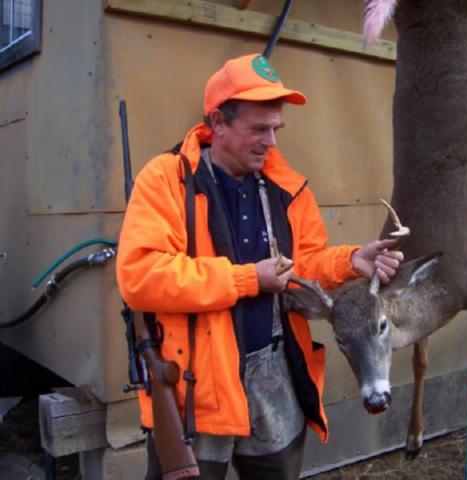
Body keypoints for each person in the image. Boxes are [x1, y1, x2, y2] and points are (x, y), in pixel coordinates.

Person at [116, 53, 403, 480]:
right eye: (258, 129)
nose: (271, 142)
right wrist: (249, 279)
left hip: (273, 379)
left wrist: (349, 261)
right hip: (197, 387)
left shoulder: (288, 189)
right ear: (218, 123)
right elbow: (141, 277)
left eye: (276, 129)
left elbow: (302, 267)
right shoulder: (165, 180)